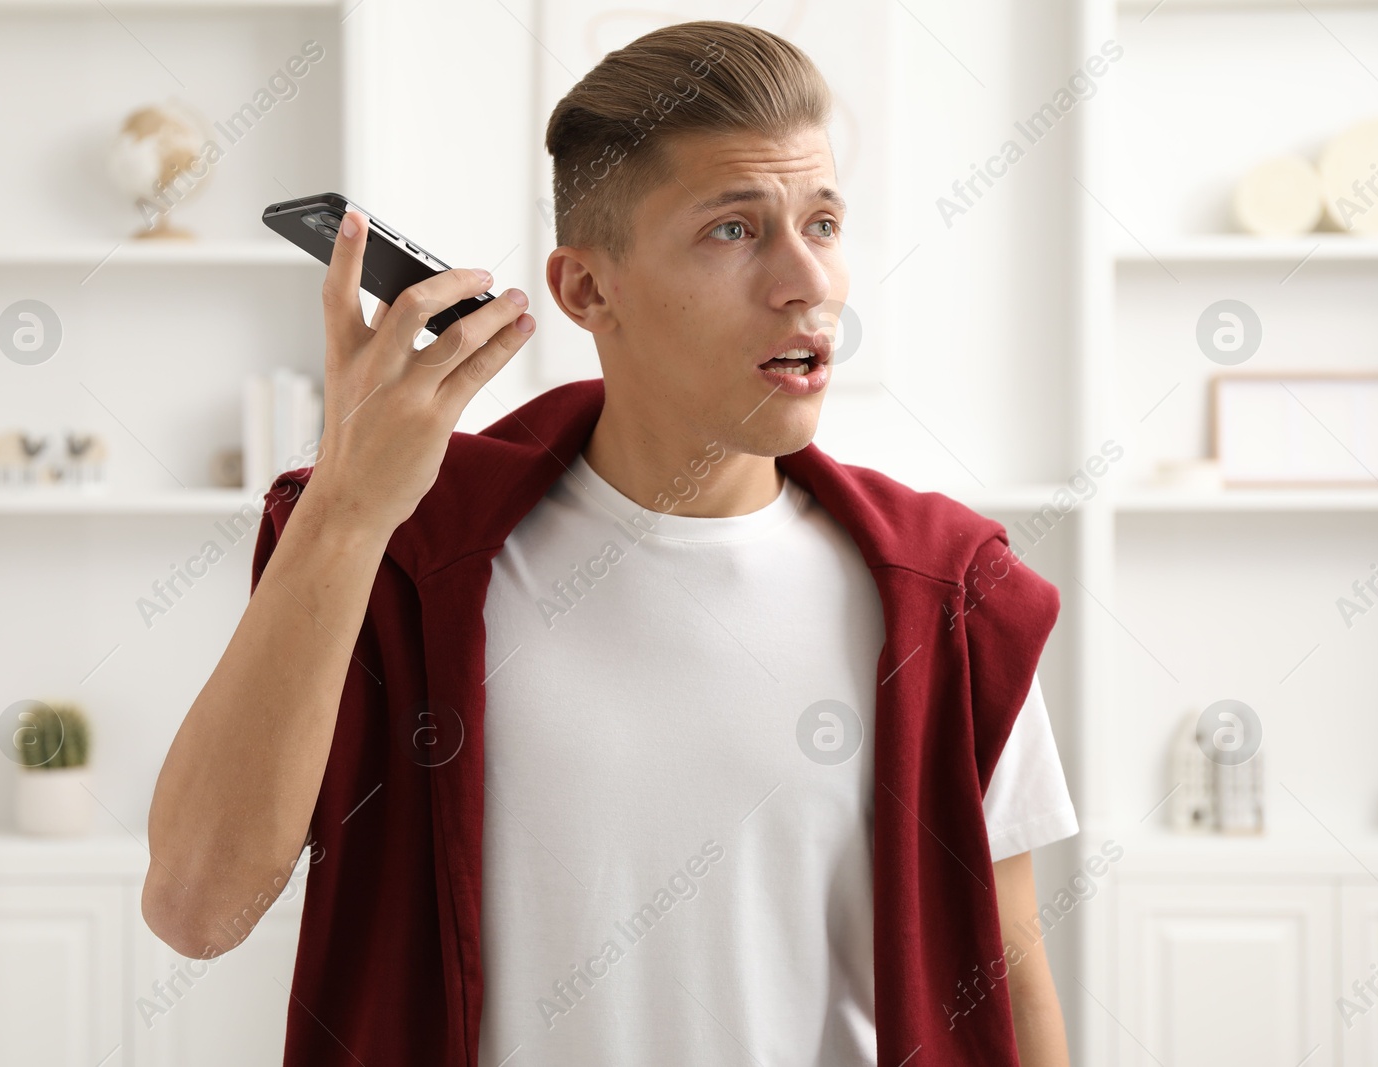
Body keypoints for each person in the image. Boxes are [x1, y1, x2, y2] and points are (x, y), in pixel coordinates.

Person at [143, 19, 1076, 1067]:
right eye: (733, 229)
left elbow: (1009, 980)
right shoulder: (403, 558)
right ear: (586, 288)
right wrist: (348, 509)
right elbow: (196, 907)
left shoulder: (943, 595)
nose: (806, 280)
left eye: (822, 220)